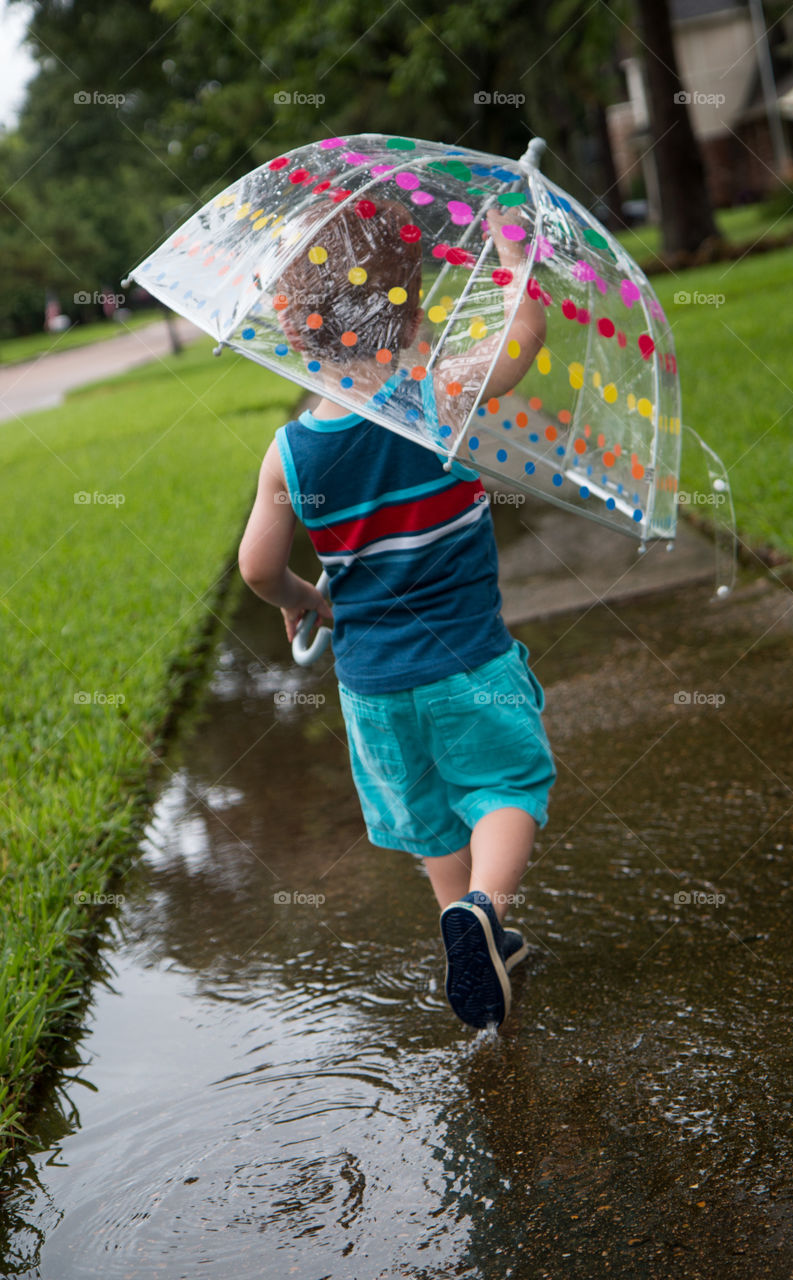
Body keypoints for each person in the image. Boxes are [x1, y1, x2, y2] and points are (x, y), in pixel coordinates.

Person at [238, 196, 556, 1029]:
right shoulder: (440, 392)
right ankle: (483, 909)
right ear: (411, 307)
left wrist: (306, 599)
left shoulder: (290, 451)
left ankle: (469, 944)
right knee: (505, 786)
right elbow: (523, 336)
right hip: (471, 664)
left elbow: (257, 567)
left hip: (374, 686)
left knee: (427, 818)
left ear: (292, 326)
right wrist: (515, 253)